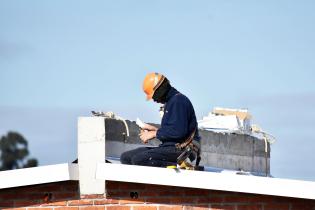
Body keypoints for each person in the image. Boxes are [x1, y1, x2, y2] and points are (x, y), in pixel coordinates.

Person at [120, 72, 200, 167]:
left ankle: (182, 166)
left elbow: (178, 132)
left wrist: (154, 134)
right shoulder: (171, 102)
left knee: (139, 159)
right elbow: (174, 130)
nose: (154, 100)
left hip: (183, 151)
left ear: (160, 90)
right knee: (126, 157)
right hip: (171, 148)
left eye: (154, 96)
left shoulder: (178, 101)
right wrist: (155, 130)